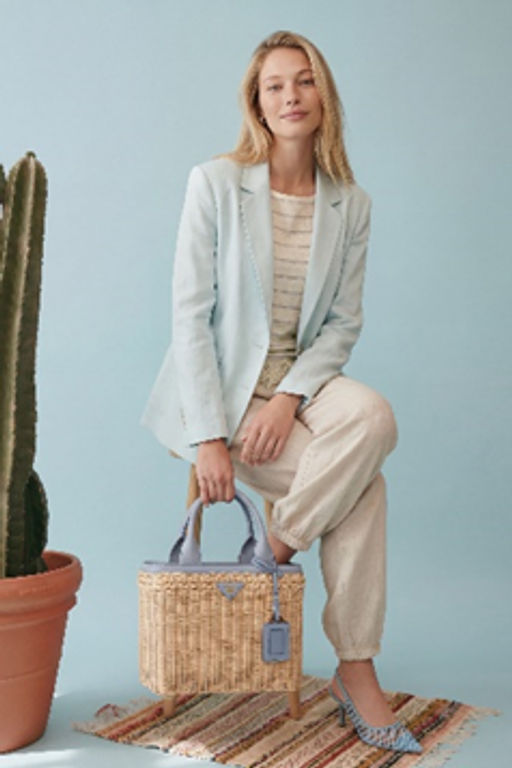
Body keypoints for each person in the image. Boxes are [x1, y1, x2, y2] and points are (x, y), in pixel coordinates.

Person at [141, 30, 422, 754]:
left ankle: (275, 545)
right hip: (225, 397)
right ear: (257, 103)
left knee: (374, 419)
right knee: (363, 490)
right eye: (275, 85)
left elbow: (342, 325)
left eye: (304, 81)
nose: (291, 96)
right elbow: (189, 317)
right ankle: (356, 670)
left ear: (324, 96)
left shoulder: (351, 205)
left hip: (297, 389)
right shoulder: (215, 183)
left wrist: (290, 398)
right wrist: (209, 436)